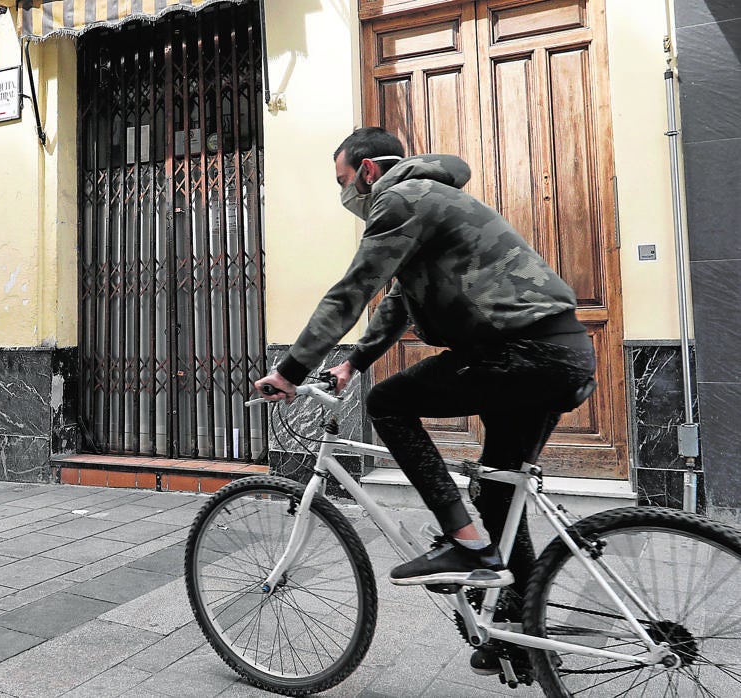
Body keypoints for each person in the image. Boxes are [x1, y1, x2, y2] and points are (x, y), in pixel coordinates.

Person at [254, 126, 596, 675]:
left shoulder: (400, 197)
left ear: (367, 171)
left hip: (519, 352)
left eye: (343, 180)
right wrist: (352, 362)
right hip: (558, 352)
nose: (344, 194)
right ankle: (522, 636)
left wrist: (290, 370)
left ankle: (465, 544)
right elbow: (396, 303)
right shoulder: (433, 199)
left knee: (389, 404)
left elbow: (353, 290)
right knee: (499, 493)